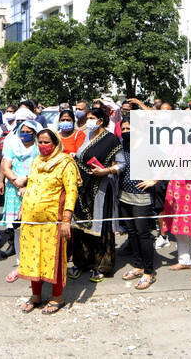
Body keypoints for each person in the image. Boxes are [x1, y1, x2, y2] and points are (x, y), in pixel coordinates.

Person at [18, 128, 80, 314]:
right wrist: (23, 208)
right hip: (31, 219)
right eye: (40, 142)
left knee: (54, 259)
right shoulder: (36, 161)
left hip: (53, 220)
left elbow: (71, 191)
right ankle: (36, 295)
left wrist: (66, 219)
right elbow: (31, 186)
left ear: (55, 143)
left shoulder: (65, 162)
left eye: (47, 142)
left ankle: (57, 297)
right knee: (32, 256)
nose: (43, 146)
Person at [69, 107, 123, 283]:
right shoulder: (86, 137)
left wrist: (106, 170)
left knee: (100, 228)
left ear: (101, 121)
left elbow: (121, 164)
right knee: (80, 227)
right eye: (88, 117)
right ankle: (81, 263)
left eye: (92, 118)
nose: (89, 121)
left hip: (101, 188)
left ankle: (100, 266)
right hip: (82, 188)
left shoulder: (111, 140)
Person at [117, 118, 159, 289]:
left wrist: (154, 180)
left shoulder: (148, 146)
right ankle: (138, 265)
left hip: (142, 196)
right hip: (124, 195)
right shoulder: (122, 146)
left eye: (129, 128)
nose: (126, 131)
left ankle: (149, 272)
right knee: (132, 233)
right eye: (124, 128)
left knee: (143, 233)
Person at [0, 119, 40, 278]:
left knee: (33, 226)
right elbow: (6, 166)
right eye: (23, 131)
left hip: (34, 187)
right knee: (17, 228)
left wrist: (27, 181)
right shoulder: (12, 144)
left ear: (34, 133)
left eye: (29, 132)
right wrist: (17, 182)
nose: (25, 134)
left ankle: (34, 259)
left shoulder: (38, 147)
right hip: (14, 189)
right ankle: (21, 260)